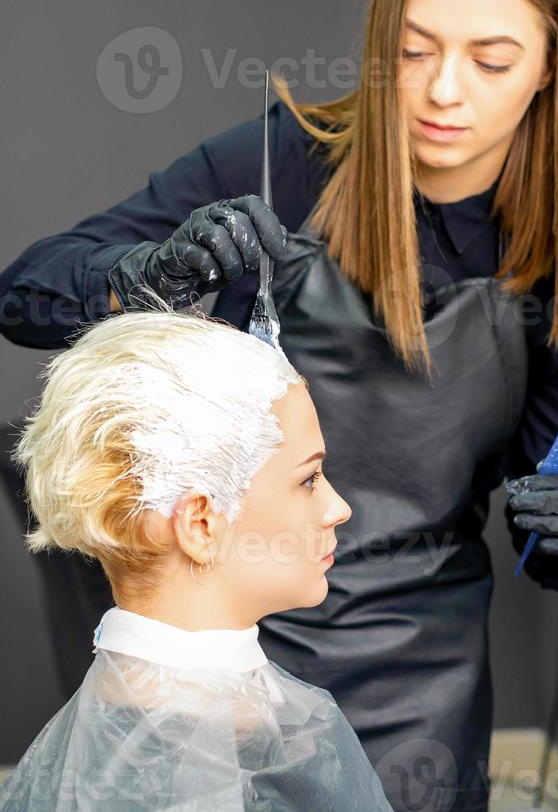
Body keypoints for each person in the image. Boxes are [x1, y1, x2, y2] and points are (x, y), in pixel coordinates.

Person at [0, 0, 558, 812]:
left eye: (491, 60)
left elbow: (551, 544)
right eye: (415, 51)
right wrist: (142, 279)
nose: (443, 92)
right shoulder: (286, 167)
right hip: (240, 657)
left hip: (426, 675)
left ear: (550, 63)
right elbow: (23, 293)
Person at [0, 302, 392, 811]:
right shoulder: (207, 756)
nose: (338, 508)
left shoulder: (94, 744)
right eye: (309, 479)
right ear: (201, 524)